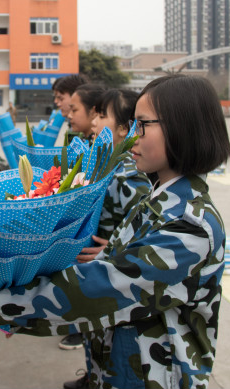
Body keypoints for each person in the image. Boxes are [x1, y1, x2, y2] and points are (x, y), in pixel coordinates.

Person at [0, 74, 230, 389]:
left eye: (143, 125)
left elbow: (98, 291)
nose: (132, 135)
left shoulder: (190, 225)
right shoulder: (158, 200)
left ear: (182, 128)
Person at [62, 87, 151, 387]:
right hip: (95, 273)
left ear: (126, 129)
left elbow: (144, 237)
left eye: (103, 115)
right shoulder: (107, 166)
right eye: (96, 113)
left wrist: (113, 248)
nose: (95, 121)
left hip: (117, 288)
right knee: (97, 343)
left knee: (115, 357)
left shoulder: (130, 176)